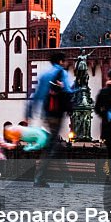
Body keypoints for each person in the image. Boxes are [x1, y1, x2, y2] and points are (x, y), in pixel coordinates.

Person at [25, 51, 74, 188]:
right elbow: (68, 91)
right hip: (57, 113)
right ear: (60, 61)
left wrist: (30, 110)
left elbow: (37, 94)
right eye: (63, 61)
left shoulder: (45, 75)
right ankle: (40, 178)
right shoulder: (62, 73)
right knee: (53, 146)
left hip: (47, 113)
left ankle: (63, 178)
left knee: (53, 144)